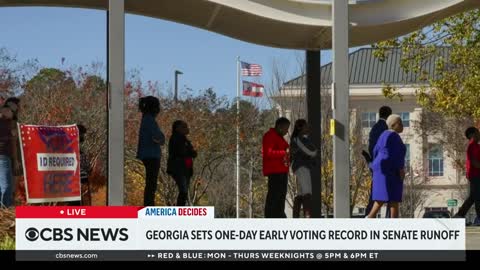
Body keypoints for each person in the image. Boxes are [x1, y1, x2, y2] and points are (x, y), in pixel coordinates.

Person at [367, 114, 406, 218]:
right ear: (393, 125)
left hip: (379, 168)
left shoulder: (383, 135)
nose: (403, 125)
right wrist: (401, 169)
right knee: (394, 198)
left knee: (381, 196)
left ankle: (370, 217)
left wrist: (375, 165)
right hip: (390, 169)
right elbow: (398, 153)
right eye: (400, 123)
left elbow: (375, 150)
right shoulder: (394, 136)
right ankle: (393, 225)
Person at [137, 96, 165, 206]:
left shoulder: (145, 119)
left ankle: (149, 205)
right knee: (151, 184)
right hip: (151, 155)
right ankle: (149, 206)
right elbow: (158, 137)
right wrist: (161, 138)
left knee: (150, 183)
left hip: (147, 154)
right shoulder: (149, 120)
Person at [365, 106, 392, 217]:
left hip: (375, 164)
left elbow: (372, 148)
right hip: (385, 166)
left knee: (375, 193)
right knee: (390, 194)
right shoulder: (386, 128)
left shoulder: (375, 128)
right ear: (389, 115)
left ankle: (368, 215)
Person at [262, 117, 290, 218]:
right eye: (286, 128)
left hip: (282, 170)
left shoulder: (279, 137)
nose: (287, 132)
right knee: (274, 196)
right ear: (279, 127)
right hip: (275, 171)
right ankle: (271, 216)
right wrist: (284, 152)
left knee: (281, 196)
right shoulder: (270, 136)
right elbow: (268, 152)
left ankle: (279, 215)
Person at [290, 119, 317, 218]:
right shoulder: (298, 140)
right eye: (306, 126)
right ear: (299, 128)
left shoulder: (302, 139)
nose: (308, 128)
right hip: (301, 167)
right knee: (307, 192)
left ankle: (296, 216)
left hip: (302, 167)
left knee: (300, 193)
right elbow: (312, 152)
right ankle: (307, 215)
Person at [453, 127, 480, 225]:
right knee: (478, 196)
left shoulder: (476, 145)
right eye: (478, 133)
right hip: (475, 175)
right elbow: (473, 161)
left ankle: (459, 214)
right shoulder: (472, 145)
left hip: (475, 175)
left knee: (473, 196)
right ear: (472, 135)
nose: (479, 134)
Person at [167, 120, 197, 206]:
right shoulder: (177, 138)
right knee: (183, 190)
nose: (187, 128)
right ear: (177, 128)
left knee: (184, 190)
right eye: (184, 126)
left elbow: (190, 153)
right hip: (179, 168)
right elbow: (182, 152)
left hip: (185, 168)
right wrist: (191, 152)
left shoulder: (184, 139)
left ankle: (180, 208)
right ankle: (179, 210)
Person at [0, 97, 20, 207]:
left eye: (13, 112)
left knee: (7, 186)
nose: (11, 113)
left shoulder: (11, 124)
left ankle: (4, 211)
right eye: (9, 109)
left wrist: (16, 160)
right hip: (2, 157)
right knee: (6, 186)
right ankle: (5, 210)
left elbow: (13, 144)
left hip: (4, 157)